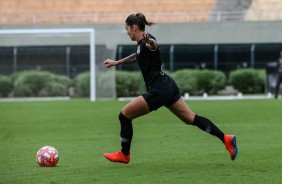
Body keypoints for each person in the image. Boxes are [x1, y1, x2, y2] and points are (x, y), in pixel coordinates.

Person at [103, 13, 237, 164]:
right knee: (190, 118)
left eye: (126, 29)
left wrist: (150, 41)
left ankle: (124, 154)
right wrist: (116, 63)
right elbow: (136, 56)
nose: (126, 32)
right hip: (167, 86)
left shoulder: (147, 41)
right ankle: (226, 139)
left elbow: (153, 45)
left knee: (124, 115)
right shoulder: (140, 46)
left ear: (134, 28)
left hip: (159, 90)